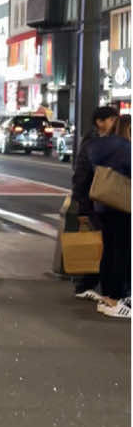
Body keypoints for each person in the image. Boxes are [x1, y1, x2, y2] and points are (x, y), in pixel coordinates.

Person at [72, 105, 130, 319]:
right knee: (121, 253)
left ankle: (108, 297)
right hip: (123, 204)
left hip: (103, 204)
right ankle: (116, 299)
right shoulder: (124, 147)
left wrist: (82, 206)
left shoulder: (95, 146)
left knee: (110, 251)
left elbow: (82, 176)